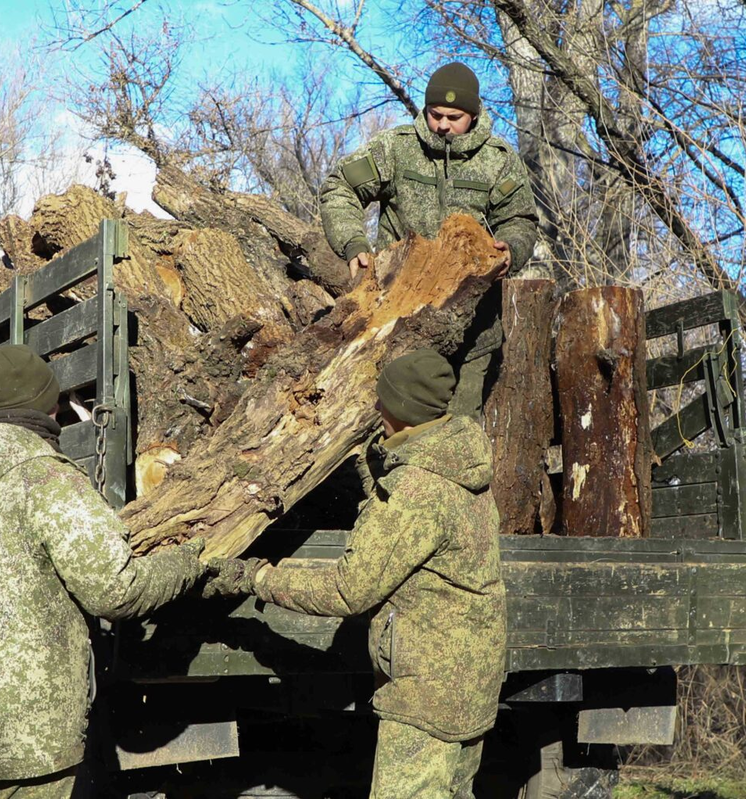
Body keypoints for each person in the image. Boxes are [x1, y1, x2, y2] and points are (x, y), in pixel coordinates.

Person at [205, 350, 506, 799]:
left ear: (401, 408)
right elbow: (414, 542)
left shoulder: (417, 490)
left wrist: (256, 578)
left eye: (383, 400)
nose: (376, 409)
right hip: (470, 681)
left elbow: (348, 590)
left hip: (426, 695)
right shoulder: (459, 464)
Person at [0, 344, 205, 799]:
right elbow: (117, 591)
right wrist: (189, 563)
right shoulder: (47, 481)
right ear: (49, 406)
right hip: (39, 737)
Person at [319, 61, 541, 416]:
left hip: (472, 328)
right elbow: (340, 186)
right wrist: (353, 243)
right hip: (395, 319)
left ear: (473, 114)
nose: (442, 125)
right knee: (384, 426)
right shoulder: (397, 148)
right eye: (435, 114)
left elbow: (520, 219)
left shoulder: (499, 160)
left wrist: (511, 249)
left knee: (454, 431)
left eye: (454, 117)